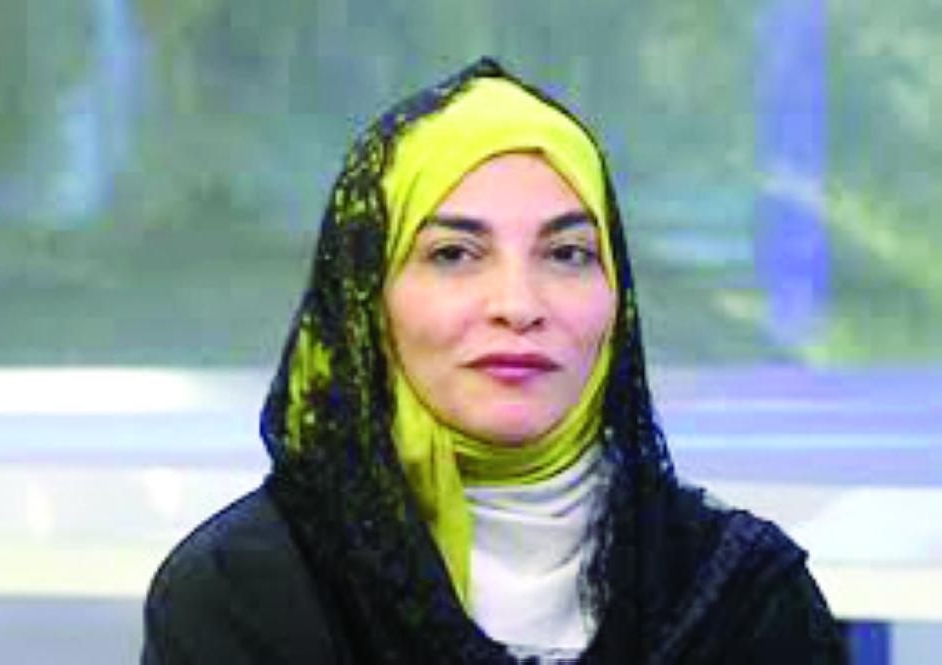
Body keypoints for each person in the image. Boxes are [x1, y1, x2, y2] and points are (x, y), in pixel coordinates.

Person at [141, 58, 846, 664]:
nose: (518, 305)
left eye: (567, 253)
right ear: (366, 298)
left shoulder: (747, 599)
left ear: (616, 299)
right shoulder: (244, 591)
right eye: (453, 254)